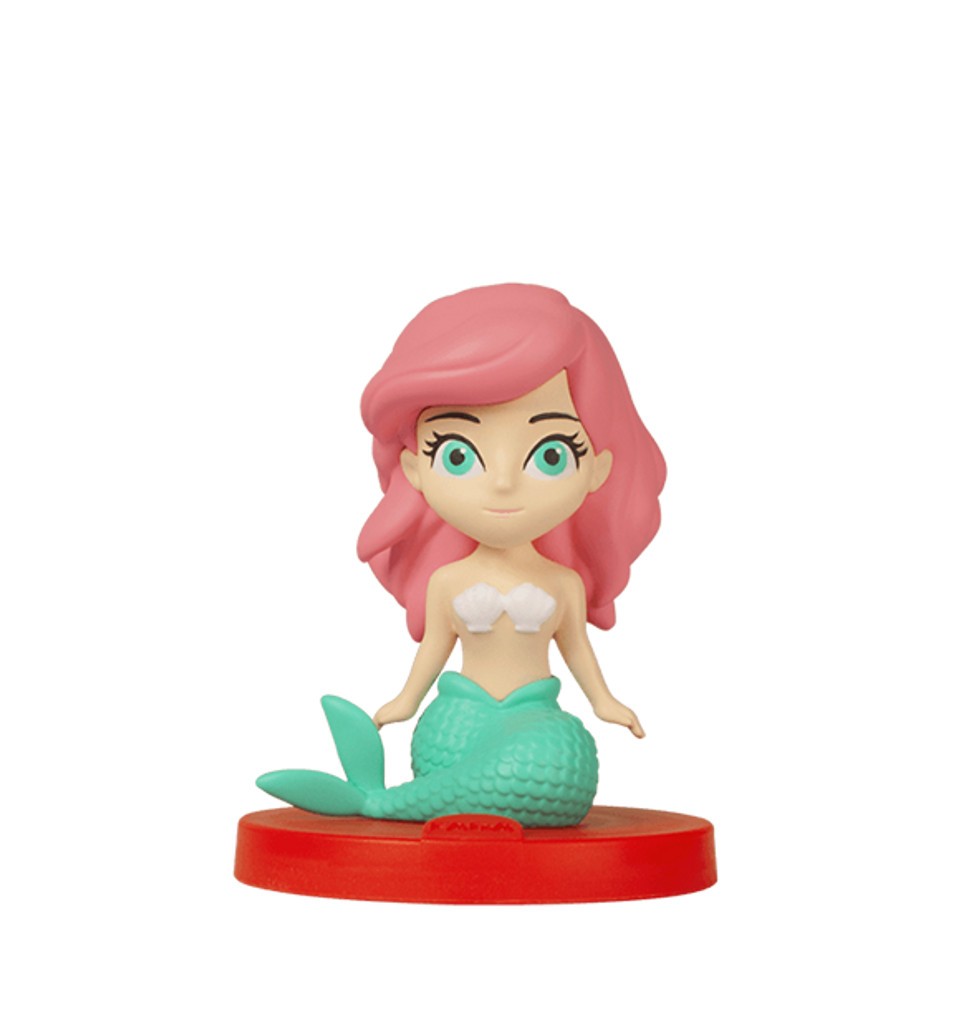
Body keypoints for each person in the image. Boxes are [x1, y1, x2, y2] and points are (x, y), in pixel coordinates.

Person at [257, 284, 665, 827]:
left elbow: (578, 651)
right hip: (456, 718)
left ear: (597, 468)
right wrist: (405, 701)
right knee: (513, 773)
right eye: (458, 454)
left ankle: (385, 801)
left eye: (550, 455)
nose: (502, 483)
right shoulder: (448, 581)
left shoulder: (563, 583)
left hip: (536, 718)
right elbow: (434, 648)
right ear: (415, 469)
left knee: (558, 767)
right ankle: (406, 798)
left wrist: (605, 702)